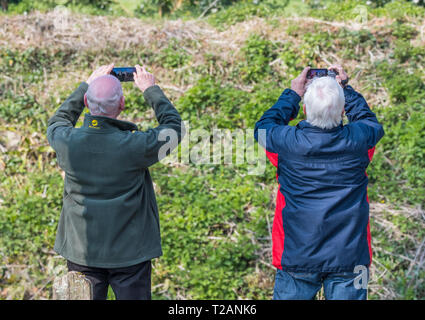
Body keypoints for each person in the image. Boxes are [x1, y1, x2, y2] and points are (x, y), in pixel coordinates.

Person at [47, 63, 185, 300]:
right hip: (131, 252)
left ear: (87, 104)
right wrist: (150, 90)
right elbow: (173, 128)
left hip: (82, 252)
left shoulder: (66, 141)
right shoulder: (136, 146)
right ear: (121, 105)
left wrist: (85, 87)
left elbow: (57, 120)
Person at [254, 65, 384, 300]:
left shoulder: (286, 145)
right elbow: (370, 123)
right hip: (351, 257)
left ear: (304, 108)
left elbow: (263, 127)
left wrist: (292, 94)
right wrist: (347, 89)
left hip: (296, 255)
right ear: (343, 110)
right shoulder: (360, 143)